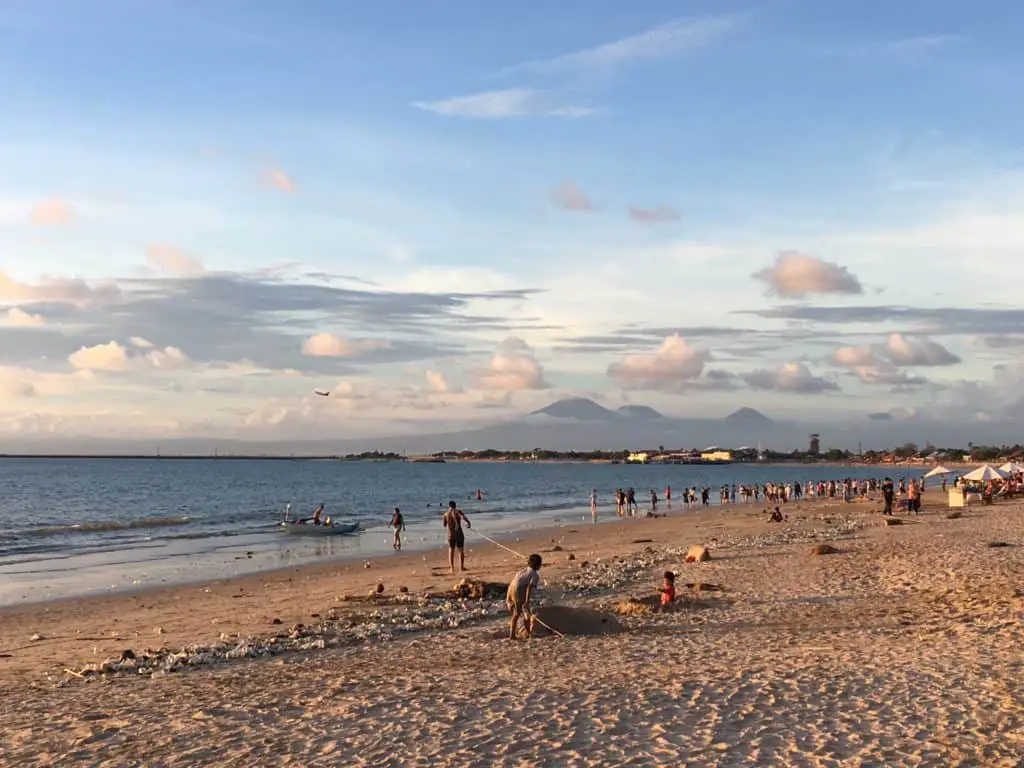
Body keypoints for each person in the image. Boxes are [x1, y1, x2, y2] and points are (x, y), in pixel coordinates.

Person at [507, 553, 542, 640]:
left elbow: (513, 583)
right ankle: (513, 635)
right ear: (538, 565)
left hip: (511, 588)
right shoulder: (535, 575)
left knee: (522, 612)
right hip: (519, 590)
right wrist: (526, 601)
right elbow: (529, 588)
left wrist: (508, 598)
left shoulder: (522, 571)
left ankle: (527, 632)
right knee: (519, 613)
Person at [442, 501, 471, 573]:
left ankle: (452, 568)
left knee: (451, 550)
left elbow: (444, 525)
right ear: (455, 505)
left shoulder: (445, 514)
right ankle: (461, 567)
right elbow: (462, 517)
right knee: (460, 550)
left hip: (450, 535)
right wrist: (468, 523)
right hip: (459, 534)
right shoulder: (457, 511)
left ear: (449, 506)